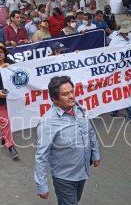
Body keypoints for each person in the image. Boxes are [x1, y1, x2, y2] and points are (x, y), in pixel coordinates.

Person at [35, 76, 100, 204]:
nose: (71, 96)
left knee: (75, 201)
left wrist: (96, 153)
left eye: (72, 91)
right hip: (64, 178)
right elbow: (41, 156)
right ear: (54, 99)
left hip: (83, 171)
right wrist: (41, 185)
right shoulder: (47, 122)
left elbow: (90, 131)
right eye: (65, 94)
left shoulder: (79, 109)